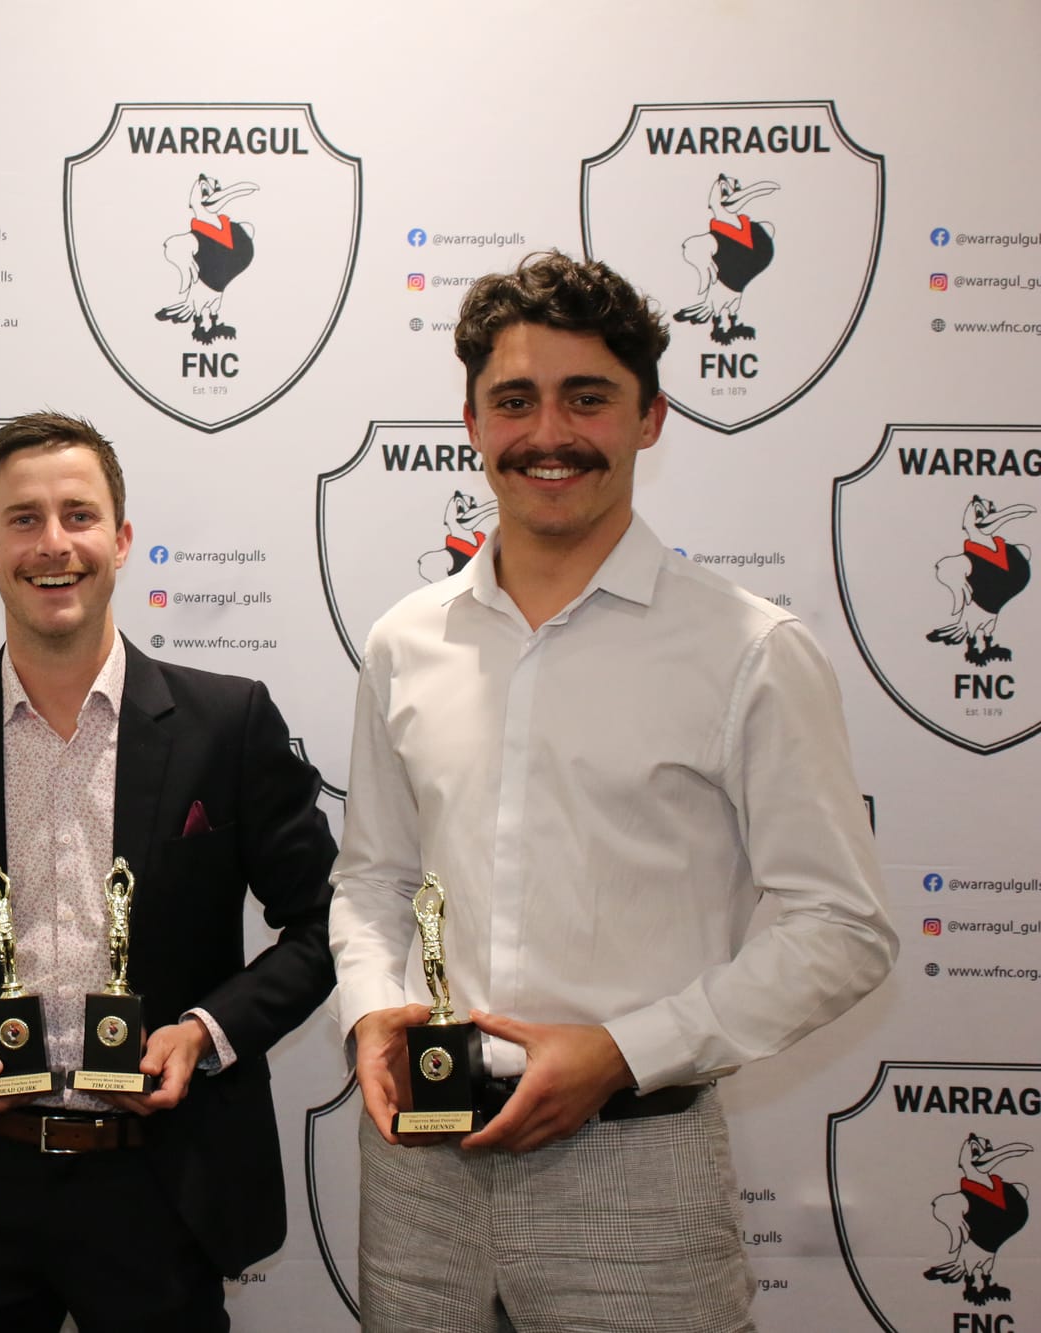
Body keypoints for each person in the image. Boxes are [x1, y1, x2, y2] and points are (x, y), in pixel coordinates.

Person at [329, 251, 897, 1332]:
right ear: (470, 422)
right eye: (514, 401)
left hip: (632, 1169)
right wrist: (367, 1010)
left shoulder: (747, 650)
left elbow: (843, 929)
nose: (547, 433)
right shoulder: (404, 642)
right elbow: (373, 878)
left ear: (649, 418)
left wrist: (623, 1051)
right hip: (417, 1171)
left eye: (586, 398)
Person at [0, 412, 337, 1333]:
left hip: (161, 1184)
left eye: (79, 516)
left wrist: (207, 1031)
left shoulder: (228, 723)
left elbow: (324, 921)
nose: (53, 545)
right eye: (23, 520)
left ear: (123, 539)